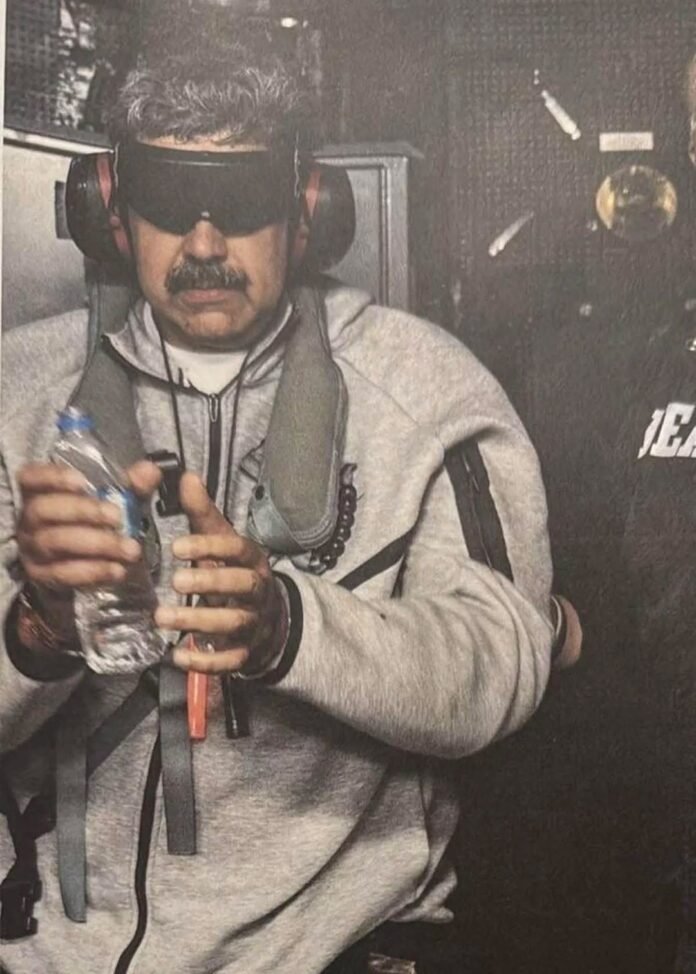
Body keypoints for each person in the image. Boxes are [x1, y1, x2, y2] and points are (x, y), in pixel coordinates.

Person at [0, 26, 555, 974]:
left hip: (333, 947)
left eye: (243, 200)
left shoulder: (429, 391)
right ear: (111, 211)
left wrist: (289, 630)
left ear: (307, 213)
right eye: (169, 200)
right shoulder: (16, 395)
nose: (204, 244)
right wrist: (39, 630)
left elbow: (503, 661)